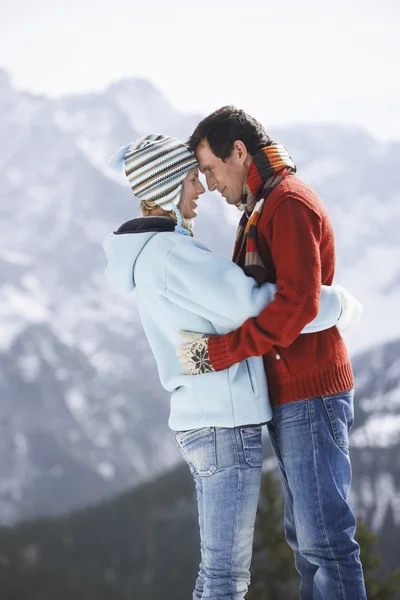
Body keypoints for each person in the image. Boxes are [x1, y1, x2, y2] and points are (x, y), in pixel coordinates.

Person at [103, 133, 361, 600]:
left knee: (220, 573)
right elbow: (264, 305)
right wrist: (339, 305)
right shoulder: (174, 256)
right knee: (225, 578)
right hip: (222, 421)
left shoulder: (149, 256)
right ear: (164, 190)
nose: (200, 188)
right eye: (189, 180)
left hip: (202, 420)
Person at [178, 107, 367, 599]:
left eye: (213, 170)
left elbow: (298, 303)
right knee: (307, 541)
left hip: (311, 391)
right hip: (292, 394)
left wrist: (224, 351)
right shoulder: (262, 207)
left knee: (325, 542)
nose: (213, 185)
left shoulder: (286, 203)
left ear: (238, 152)